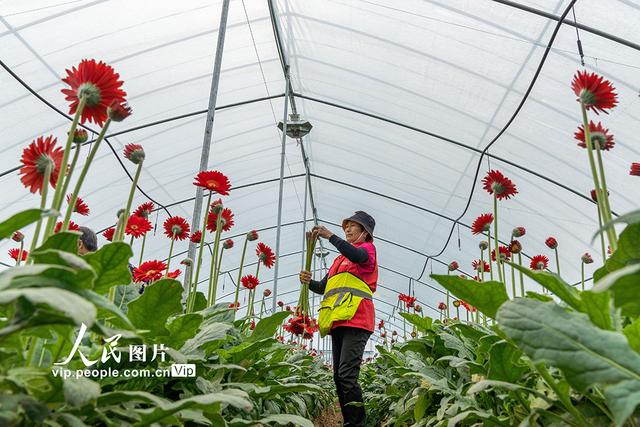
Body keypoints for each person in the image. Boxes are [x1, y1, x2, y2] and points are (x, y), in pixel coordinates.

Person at [299, 211, 377, 427]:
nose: (348, 229)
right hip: (338, 320)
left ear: (365, 232)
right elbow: (324, 287)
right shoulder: (338, 260)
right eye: (346, 227)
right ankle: (349, 422)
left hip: (358, 318)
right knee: (338, 377)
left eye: (353, 226)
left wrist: (331, 236)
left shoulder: (367, 250)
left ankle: (357, 424)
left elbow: (358, 257)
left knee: (346, 375)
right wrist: (308, 282)